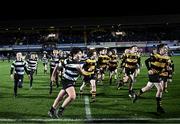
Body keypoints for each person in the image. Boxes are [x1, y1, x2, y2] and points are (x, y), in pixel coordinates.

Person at [48, 48, 93, 118]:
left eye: (81, 54)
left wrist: (87, 71)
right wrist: (53, 76)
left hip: (72, 81)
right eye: (79, 54)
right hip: (66, 80)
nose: (80, 55)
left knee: (60, 97)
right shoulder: (67, 61)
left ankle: (51, 110)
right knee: (72, 96)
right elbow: (57, 66)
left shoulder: (83, 62)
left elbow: (84, 73)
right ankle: (60, 110)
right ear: (74, 54)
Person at [133, 44, 171, 114]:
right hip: (153, 74)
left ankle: (137, 95)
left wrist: (167, 68)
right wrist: (149, 69)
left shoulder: (167, 57)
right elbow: (146, 61)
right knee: (160, 89)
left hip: (158, 74)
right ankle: (159, 107)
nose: (166, 49)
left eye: (166, 48)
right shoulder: (156, 56)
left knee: (148, 87)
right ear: (160, 49)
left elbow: (165, 66)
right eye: (164, 48)